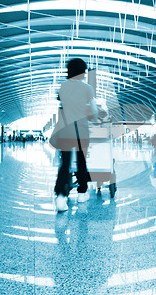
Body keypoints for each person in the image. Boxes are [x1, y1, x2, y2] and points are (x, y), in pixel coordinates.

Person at [51, 58, 98, 212]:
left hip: (65, 130)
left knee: (65, 163)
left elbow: (63, 106)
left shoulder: (63, 87)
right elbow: (93, 110)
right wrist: (96, 119)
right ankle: (82, 193)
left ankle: (61, 196)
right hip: (81, 130)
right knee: (81, 162)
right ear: (82, 71)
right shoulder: (87, 88)